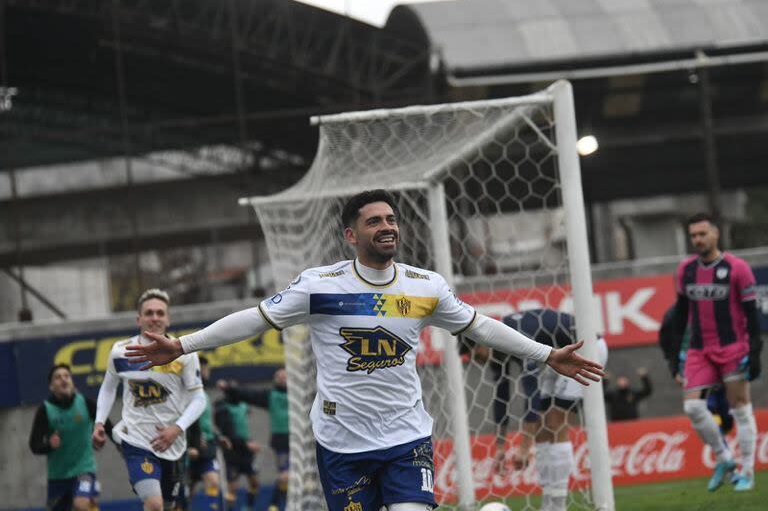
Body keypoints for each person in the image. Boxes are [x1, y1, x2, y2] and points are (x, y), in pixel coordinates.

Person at [125, 189, 604, 511]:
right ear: (352, 235)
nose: (387, 226)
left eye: (391, 219)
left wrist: (544, 354)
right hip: (342, 441)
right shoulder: (319, 286)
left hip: (406, 435)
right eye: (374, 221)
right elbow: (254, 318)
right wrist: (182, 344)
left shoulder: (426, 287)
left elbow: (480, 326)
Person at [467, 309, 608, 511]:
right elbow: (502, 398)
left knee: (554, 421)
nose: (473, 358)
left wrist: (524, 448)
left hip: (587, 350)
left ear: (480, 342)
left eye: (473, 352)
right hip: (560, 357)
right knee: (541, 427)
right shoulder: (498, 351)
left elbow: (530, 392)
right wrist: (500, 447)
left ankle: (558, 506)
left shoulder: (516, 336)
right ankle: (548, 503)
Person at [669, 213, 762, 492]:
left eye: (702, 234)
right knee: (693, 406)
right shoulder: (685, 270)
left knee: (740, 409)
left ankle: (747, 471)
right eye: (693, 235)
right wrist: (676, 355)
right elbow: (681, 313)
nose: (697, 240)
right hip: (699, 350)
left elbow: (751, 313)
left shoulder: (737, 268)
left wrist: (756, 350)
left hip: (732, 347)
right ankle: (724, 458)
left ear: (716, 234)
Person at [92, 289, 207, 511]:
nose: (155, 317)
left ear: (168, 318)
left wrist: (177, 428)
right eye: (149, 312)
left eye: (160, 313)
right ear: (139, 319)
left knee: (170, 506)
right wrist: (99, 422)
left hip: (173, 444)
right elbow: (108, 388)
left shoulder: (184, 354)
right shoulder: (120, 351)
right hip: (137, 441)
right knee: (154, 504)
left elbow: (199, 398)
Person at [29, 364, 111, 511]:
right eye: (58, 377)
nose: (63, 380)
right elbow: (34, 445)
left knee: (81, 504)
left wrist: (120, 445)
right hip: (57, 476)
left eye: (67, 376)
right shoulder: (45, 410)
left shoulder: (85, 403)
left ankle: (89, 502)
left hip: (84, 469)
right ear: (51, 386)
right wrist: (49, 445)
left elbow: (107, 424)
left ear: (72, 382)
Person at [220, 367, 290, 511]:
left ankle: (257, 506)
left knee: (257, 481)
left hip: (298, 441)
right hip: (279, 441)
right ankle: (273, 505)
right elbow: (250, 394)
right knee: (285, 475)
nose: (283, 379)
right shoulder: (271, 395)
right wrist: (230, 389)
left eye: (285, 377)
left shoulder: (298, 395)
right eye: (280, 377)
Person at [658, 305, 733, 435]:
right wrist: (674, 367)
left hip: (716, 358)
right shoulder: (674, 313)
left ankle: (724, 426)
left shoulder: (715, 305)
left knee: (721, 400)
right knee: (701, 404)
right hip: (690, 363)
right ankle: (719, 442)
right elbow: (665, 340)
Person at [214, 380, 261, 511]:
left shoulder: (243, 405)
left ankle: (249, 507)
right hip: (232, 450)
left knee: (255, 481)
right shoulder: (222, 408)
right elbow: (228, 433)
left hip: (246, 450)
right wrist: (247, 444)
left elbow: (246, 413)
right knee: (232, 486)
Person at [184, 356, 222, 511]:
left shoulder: (204, 394)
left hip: (206, 449)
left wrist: (218, 437)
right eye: (205, 369)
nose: (208, 372)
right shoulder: (186, 393)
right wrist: (191, 445)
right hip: (189, 450)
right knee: (186, 492)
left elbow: (206, 424)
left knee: (213, 481)